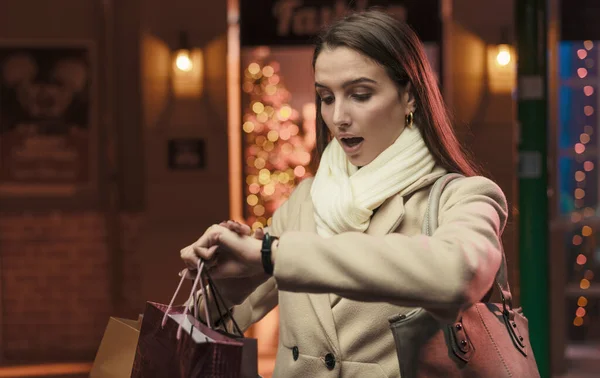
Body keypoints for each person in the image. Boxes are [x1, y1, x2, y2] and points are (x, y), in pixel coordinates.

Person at [180, 9, 507, 378]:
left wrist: (270, 253)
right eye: (326, 97)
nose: (338, 117)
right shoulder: (304, 202)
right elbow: (213, 325)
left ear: (410, 96)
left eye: (360, 95)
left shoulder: (463, 196)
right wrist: (219, 277)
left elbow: (456, 274)